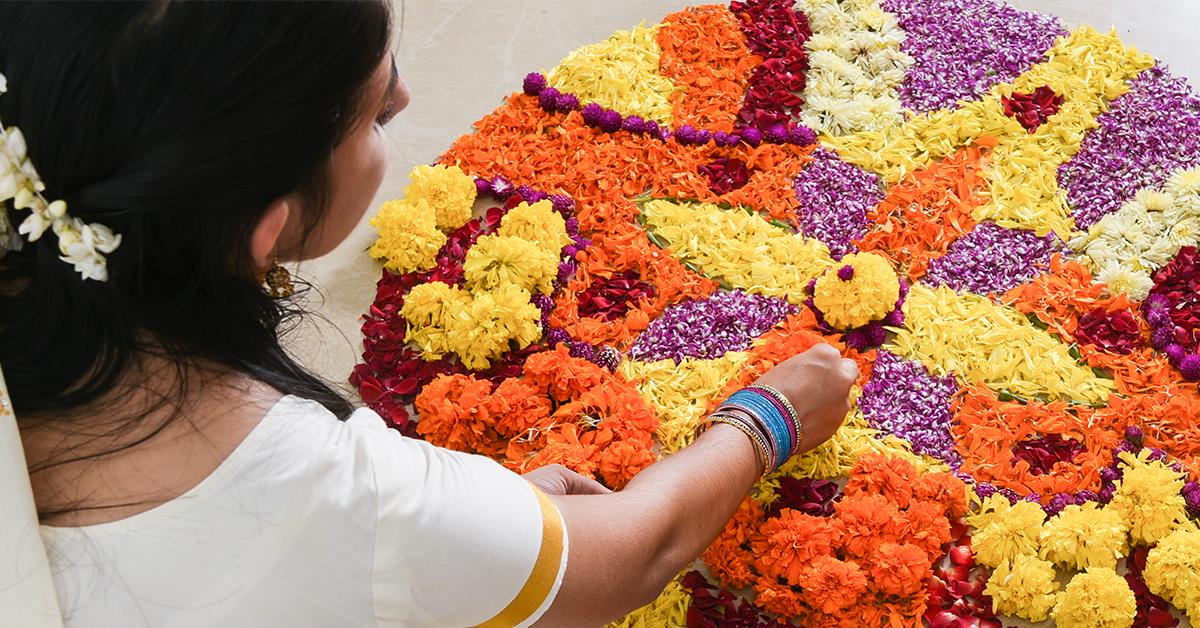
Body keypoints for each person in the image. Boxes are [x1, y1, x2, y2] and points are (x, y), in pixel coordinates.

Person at [0, 3, 858, 627]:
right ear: (263, 228)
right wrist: (767, 417)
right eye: (374, 112)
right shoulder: (342, 499)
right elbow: (637, 554)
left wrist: (470, 533)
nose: (407, 100)